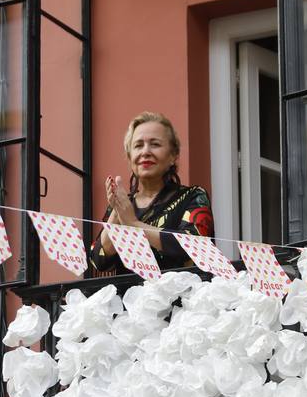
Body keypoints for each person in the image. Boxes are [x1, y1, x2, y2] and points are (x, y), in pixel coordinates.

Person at [87, 111, 215, 277]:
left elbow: (194, 246)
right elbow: (99, 261)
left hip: (181, 300)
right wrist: (117, 214)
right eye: (138, 146)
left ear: (173, 156)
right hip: (129, 301)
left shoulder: (193, 196)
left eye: (155, 144)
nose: (145, 152)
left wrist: (133, 223)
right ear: (130, 157)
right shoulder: (125, 204)